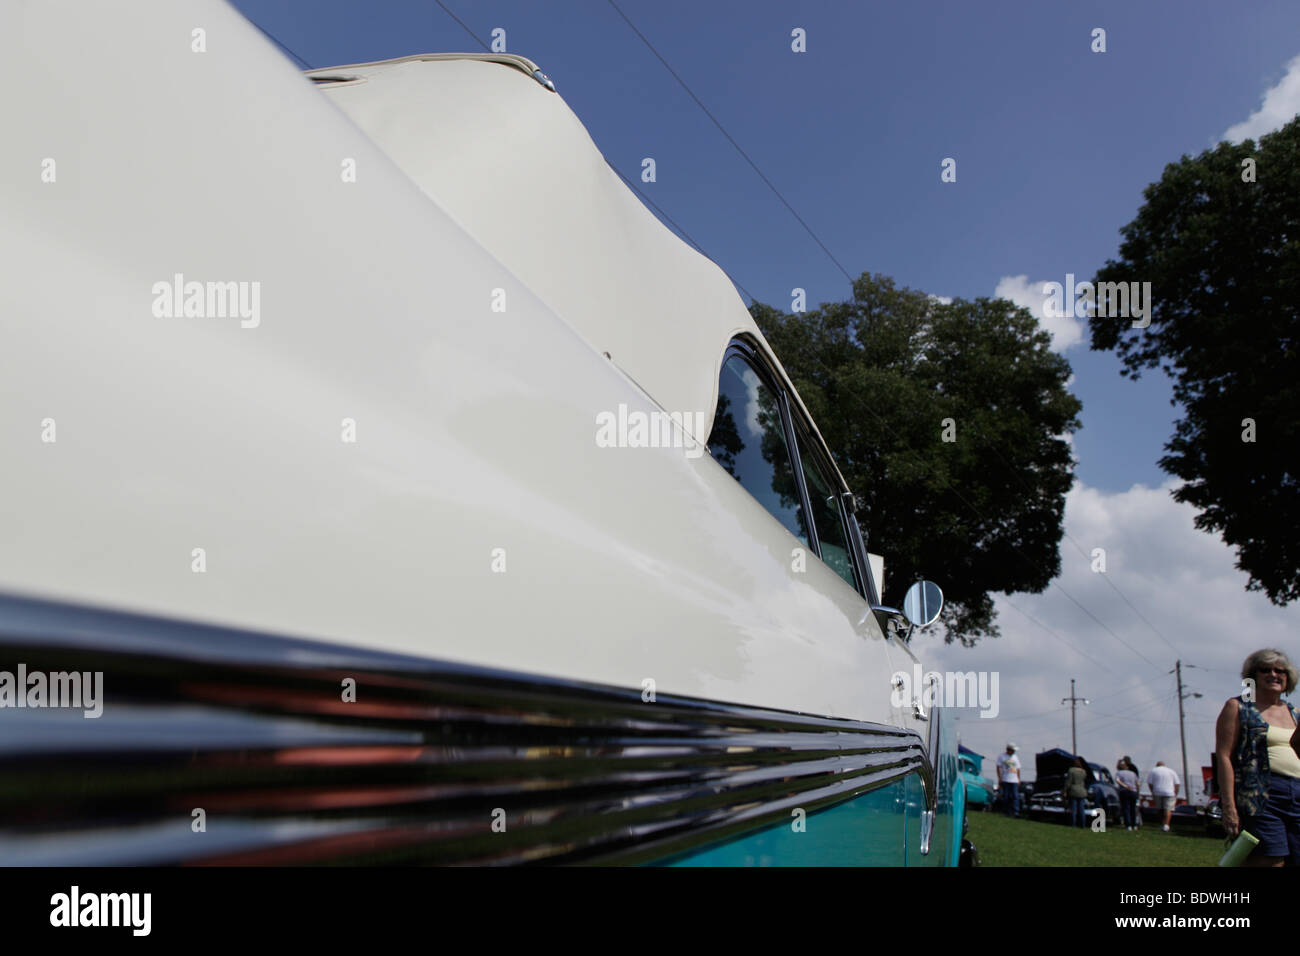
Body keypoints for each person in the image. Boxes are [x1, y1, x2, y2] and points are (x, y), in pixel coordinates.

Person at [1215, 648, 1300, 866]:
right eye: (1266, 670)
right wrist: (1229, 806)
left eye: (1280, 671)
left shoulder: (1295, 713)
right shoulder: (1238, 707)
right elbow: (1224, 756)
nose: (1274, 674)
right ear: (1253, 675)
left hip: (1297, 794)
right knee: (1271, 858)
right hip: (1260, 795)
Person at [1146, 761, 1181, 831]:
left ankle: (1163, 824)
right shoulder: (1171, 771)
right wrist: (1176, 793)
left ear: (1157, 765)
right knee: (1168, 809)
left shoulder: (1153, 771)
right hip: (1169, 792)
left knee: (1159, 809)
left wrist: (1152, 791)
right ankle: (1166, 825)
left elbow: (1150, 783)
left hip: (1157, 791)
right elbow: (1177, 783)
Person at [996, 743, 1021, 817]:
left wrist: (1018, 779)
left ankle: (1016, 812)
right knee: (1006, 797)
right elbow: (998, 767)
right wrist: (999, 778)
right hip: (1005, 779)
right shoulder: (1002, 756)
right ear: (1008, 750)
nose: (1014, 752)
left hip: (1014, 780)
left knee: (1015, 796)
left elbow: (1018, 768)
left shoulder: (1015, 757)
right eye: (1012, 750)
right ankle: (1006, 812)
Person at [1115, 757, 1140, 830]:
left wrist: (1125, 786)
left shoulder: (1119, 773)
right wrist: (1137, 792)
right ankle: (1134, 825)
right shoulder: (1133, 773)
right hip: (1134, 791)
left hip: (1124, 791)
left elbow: (1117, 780)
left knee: (1126, 808)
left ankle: (1128, 825)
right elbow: (1138, 783)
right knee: (1133, 808)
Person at [1065, 756, 1089, 828]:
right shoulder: (1083, 771)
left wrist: (1065, 790)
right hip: (1082, 791)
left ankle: (1073, 824)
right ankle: (1083, 825)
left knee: (1073, 809)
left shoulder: (1071, 770)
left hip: (1074, 791)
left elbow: (1068, 782)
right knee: (1081, 810)